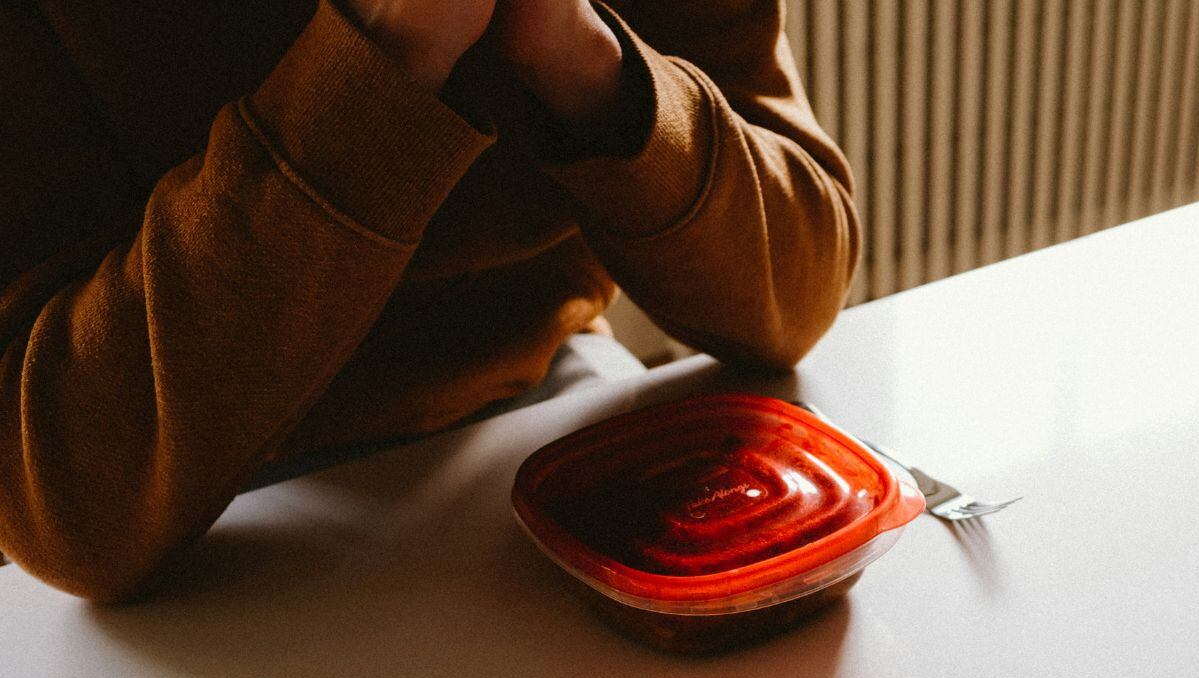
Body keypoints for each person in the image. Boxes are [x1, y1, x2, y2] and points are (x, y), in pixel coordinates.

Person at [0, 0, 861, 601]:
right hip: (197, 533)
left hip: (550, 419)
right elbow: (59, 508)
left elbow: (800, 293)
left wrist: (583, 57)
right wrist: (385, 59)